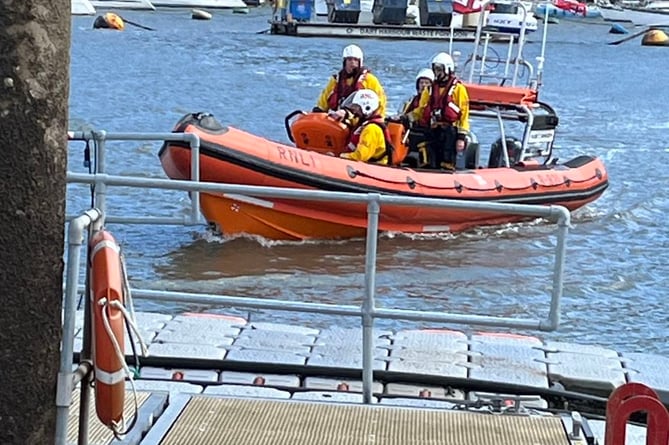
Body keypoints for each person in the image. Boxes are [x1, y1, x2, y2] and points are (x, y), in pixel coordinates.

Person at [410, 52, 470, 170]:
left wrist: (461, 138)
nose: (437, 73)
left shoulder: (458, 89)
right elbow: (421, 110)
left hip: (450, 133)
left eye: (439, 70)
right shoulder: (431, 89)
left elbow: (464, 115)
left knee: (446, 161)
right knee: (429, 160)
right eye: (435, 70)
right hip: (433, 131)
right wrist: (406, 118)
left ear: (447, 69)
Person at [315, 44, 387, 118]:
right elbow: (324, 101)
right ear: (344, 62)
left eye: (355, 60)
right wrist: (317, 112)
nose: (352, 62)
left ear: (360, 62)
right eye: (349, 59)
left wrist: (378, 118)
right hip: (338, 118)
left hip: (359, 119)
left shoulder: (369, 80)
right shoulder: (336, 80)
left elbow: (380, 101)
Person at [338, 89, 393, 165]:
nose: (354, 111)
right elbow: (352, 120)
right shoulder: (363, 123)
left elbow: (361, 156)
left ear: (366, 107)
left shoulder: (371, 129)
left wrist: (339, 156)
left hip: (375, 166)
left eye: (356, 107)